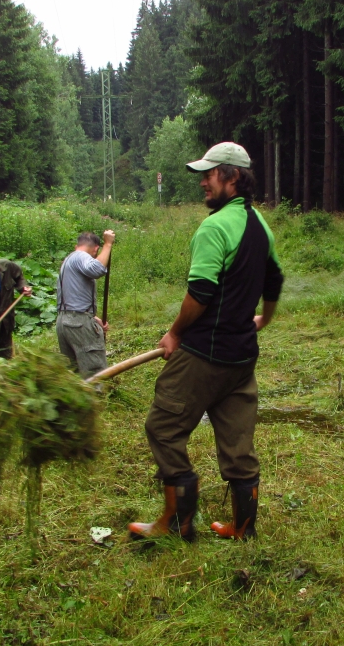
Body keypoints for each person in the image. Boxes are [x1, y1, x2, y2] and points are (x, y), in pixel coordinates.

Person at [128, 142, 284, 542]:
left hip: (204, 354)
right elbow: (275, 277)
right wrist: (265, 317)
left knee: (163, 426)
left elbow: (199, 293)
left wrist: (175, 332)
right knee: (238, 446)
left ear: (231, 177)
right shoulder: (260, 225)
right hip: (241, 358)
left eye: (209, 173)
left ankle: (177, 522)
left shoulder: (214, 227)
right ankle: (243, 529)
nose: (203, 181)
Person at [56, 230, 116, 376]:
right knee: (94, 371)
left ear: (77, 245)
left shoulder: (68, 261)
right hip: (78, 324)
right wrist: (108, 244)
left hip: (63, 321)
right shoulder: (81, 256)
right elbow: (97, 269)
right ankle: (98, 397)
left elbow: (71, 298)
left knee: (74, 371)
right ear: (96, 249)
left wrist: (93, 318)